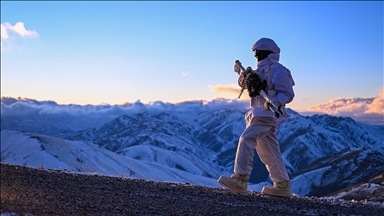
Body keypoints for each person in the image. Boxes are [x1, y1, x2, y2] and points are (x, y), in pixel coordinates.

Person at [217, 38, 295, 197]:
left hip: (268, 115)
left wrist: (275, 101)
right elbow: (244, 84)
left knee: (246, 139)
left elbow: (287, 93)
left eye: (259, 52)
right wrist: (246, 77)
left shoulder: (279, 71)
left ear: (268, 53)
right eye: (256, 53)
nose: (257, 55)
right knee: (268, 151)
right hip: (257, 113)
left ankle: (240, 178)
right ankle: (282, 184)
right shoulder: (259, 70)